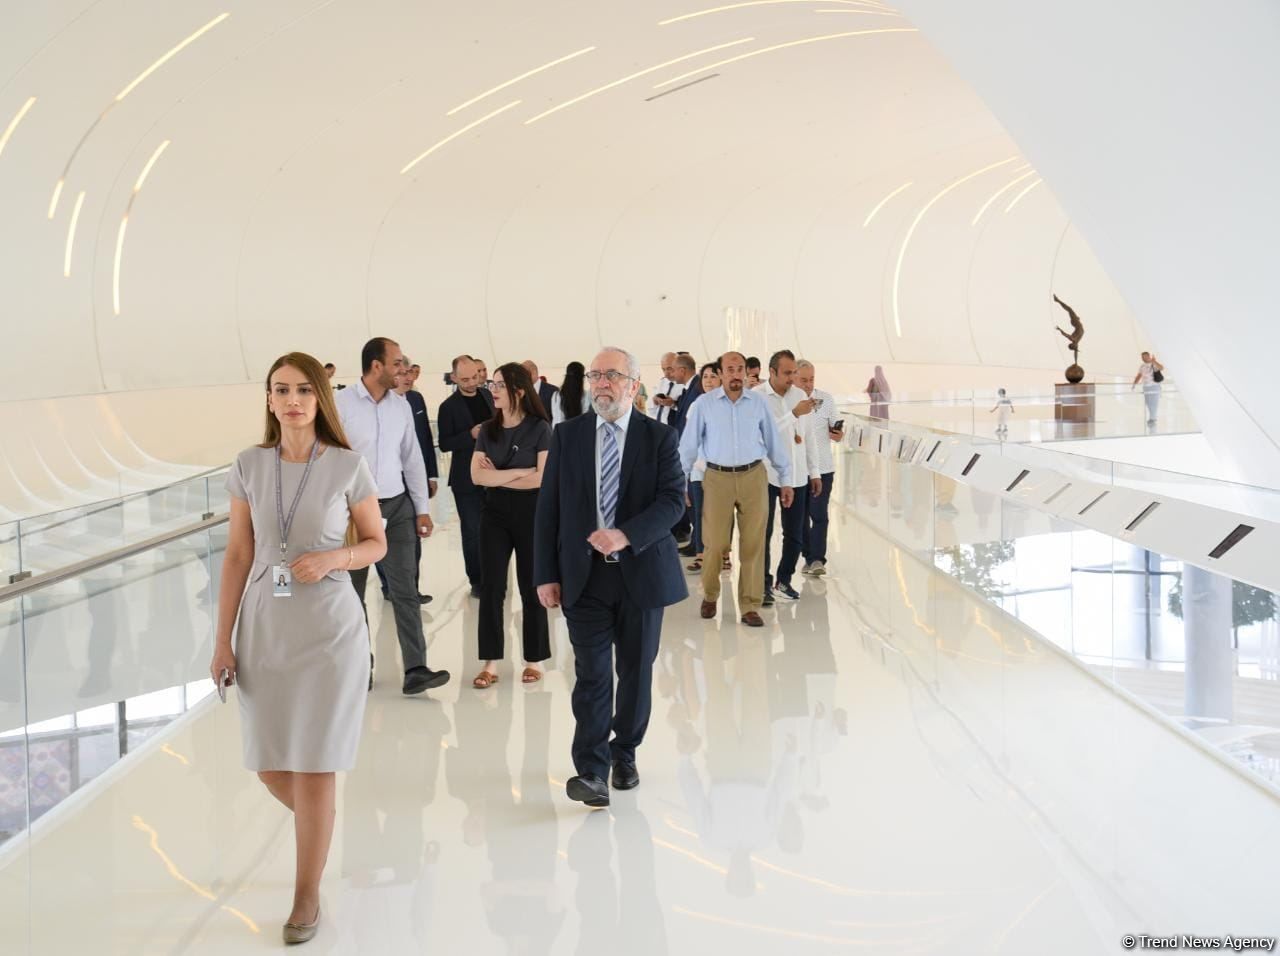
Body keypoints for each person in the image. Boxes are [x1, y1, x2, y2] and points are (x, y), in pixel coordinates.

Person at [210, 351, 387, 943]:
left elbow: (377, 543)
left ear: (321, 399)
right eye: (281, 389)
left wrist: (336, 557)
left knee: (315, 764)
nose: (293, 400)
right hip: (264, 625)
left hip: (330, 628)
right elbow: (237, 554)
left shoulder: (345, 465)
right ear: (268, 399)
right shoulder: (248, 465)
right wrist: (222, 642)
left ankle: (305, 894)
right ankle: (323, 823)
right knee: (267, 763)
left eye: (304, 390)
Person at [534, 347, 687, 808]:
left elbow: (673, 502)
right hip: (584, 578)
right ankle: (592, 770)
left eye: (613, 376)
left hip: (641, 575)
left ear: (634, 385)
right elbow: (549, 509)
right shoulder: (568, 435)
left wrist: (625, 534)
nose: (602, 383)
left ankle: (626, 753)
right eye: (596, 376)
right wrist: (545, 573)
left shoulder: (658, 437)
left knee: (636, 672)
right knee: (593, 674)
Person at [336, 337, 450, 694]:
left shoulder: (400, 406)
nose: (403, 368)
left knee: (406, 590)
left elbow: (412, 459)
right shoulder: (340, 405)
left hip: (397, 507)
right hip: (352, 512)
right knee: (352, 596)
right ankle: (359, 668)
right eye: (397, 362)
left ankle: (416, 668)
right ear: (376, 366)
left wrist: (421, 510)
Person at [679, 351, 791, 627]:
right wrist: (679, 482)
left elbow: (774, 442)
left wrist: (786, 478)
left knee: (753, 543)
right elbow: (688, 447)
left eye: (740, 369)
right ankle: (710, 593)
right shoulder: (704, 405)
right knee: (715, 543)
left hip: (754, 476)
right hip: (717, 478)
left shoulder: (758, 403)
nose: (736, 374)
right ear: (720, 373)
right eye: (730, 369)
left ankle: (750, 605)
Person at [471, 363, 552, 688]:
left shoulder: (540, 428)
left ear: (519, 391)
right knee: (491, 588)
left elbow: (543, 478)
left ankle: (533, 660)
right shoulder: (488, 429)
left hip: (532, 514)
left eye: (500, 385)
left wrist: (499, 476)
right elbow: (477, 476)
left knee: (532, 587)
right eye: (493, 384)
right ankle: (490, 662)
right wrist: (519, 472)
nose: (493, 389)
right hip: (494, 514)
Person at [755, 350, 821, 603]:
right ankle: (762, 585)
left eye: (794, 372)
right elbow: (764, 434)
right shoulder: (757, 397)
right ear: (771, 372)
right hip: (766, 475)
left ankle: (784, 580)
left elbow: (809, 437)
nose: (792, 378)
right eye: (787, 373)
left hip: (797, 475)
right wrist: (793, 414)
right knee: (763, 532)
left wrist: (814, 471)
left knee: (795, 533)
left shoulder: (800, 395)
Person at [377, 358, 437, 605]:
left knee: (412, 539)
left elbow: (423, 441)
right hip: (384, 485)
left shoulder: (415, 400)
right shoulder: (379, 404)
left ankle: (410, 588)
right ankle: (388, 585)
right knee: (381, 537)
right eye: (403, 373)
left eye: (411, 373)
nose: (409, 378)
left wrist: (431, 475)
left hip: (412, 481)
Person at [437, 355, 494, 596]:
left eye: (475, 377)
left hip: (493, 474)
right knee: (472, 531)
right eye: (465, 379)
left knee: (494, 529)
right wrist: (470, 435)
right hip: (465, 478)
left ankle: (493, 575)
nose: (472, 383)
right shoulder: (448, 407)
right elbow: (444, 443)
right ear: (454, 378)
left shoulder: (488, 395)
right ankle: (477, 580)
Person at [795, 360, 842, 577]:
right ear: (794, 377)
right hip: (798, 469)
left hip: (823, 468)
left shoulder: (827, 399)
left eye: (811, 379)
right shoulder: (790, 402)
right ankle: (808, 555)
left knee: (819, 514)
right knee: (800, 517)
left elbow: (837, 429)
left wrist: (838, 434)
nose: (808, 383)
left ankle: (817, 559)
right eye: (803, 379)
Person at [683, 362, 726, 575]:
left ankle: (724, 555)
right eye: (705, 376)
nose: (709, 380)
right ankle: (701, 554)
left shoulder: (729, 404)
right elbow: (690, 440)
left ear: (721, 378)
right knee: (701, 512)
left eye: (713, 376)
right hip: (700, 468)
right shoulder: (696, 405)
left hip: (724, 469)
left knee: (723, 514)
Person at [651, 353, 691, 427]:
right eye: (663, 369)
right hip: (658, 428)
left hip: (675, 430)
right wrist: (655, 401)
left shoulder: (686, 386)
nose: (666, 374)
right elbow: (651, 411)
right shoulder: (661, 383)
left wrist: (673, 404)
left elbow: (688, 411)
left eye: (669, 369)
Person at [553, 360, 591, 426]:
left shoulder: (557, 396)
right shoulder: (586, 396)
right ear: (581, 378)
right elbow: (586, 420)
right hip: (581, 433)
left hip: (562, 434)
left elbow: (557, 421)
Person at [1132, 351, 1165, 425]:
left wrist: (1154, 361)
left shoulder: (1153, 364)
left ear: (1148, 356)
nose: (1143, 358)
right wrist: (1134, 384)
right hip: (1146, 387)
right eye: (1142, 357)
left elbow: (1162, 368)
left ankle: (1153, 418)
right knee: (1148, 403)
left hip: (1154, 386)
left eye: (1145, 357)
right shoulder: (1142, 366)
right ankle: (1152, 417)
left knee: (1154, 403)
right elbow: (1139, 375)